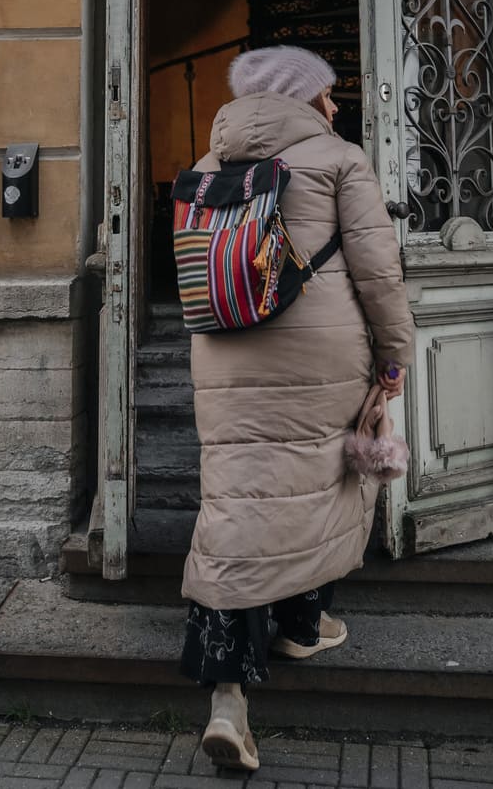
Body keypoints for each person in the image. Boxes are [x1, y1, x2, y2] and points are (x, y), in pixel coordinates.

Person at [178, 45, 415, 772]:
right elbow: (378, 273)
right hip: (320, 354)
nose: (335, 105)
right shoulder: (340, 159)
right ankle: (303, 623)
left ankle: (228, 697)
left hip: (224, 352)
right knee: (322, 482)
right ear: (302, 98)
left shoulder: (210, 164)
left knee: (237, 501)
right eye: (327, 93)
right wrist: (394, 356)